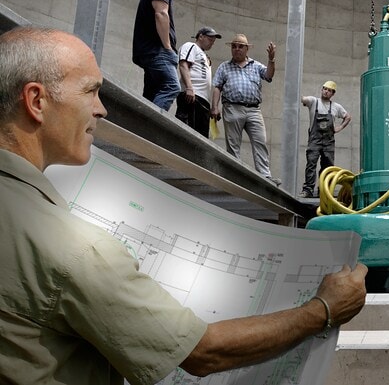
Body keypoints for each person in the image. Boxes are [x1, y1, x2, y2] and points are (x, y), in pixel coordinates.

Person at [0, 26, 368, 384]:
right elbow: (202, 352)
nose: (102, 110)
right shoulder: (79, 253)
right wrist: (323, 309)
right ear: (36, 101)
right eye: (90, 92)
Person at [211, 34, 281, 186]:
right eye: (234, 46)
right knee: (233, 145)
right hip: (232, 108)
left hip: (253, 110)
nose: (236, 49)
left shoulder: (256, 65)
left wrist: (271, 59)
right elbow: (217, 87)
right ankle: (235, 177)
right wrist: (214, 107)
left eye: (240, 46)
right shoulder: (224, 66)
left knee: (260, 141)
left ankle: (265, 177)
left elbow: (269, 75)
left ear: (247, 49)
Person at [132, 0, 192, 110]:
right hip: (157, 51)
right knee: (172, 87)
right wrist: (167, 47)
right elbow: (161, 14)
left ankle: (140, 127)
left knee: (151, 95)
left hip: (153, 52)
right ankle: (151, 128)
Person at [300, 81, 351, 198]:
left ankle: (324, 191)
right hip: (314, 140)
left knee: (327, 167)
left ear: (333, 93)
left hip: (328, 142)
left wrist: (339, 128)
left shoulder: (336, 107)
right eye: (324, 89)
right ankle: (307, 190)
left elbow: (347, 117)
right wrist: (302, 99)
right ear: (322, 89)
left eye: (329, 90)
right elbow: (303, 99)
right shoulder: (313, 102)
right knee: (311, 165)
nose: (326, 91)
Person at [176, 26, 221, 137]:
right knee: (186, 132)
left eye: (213, 41)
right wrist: (189, 88)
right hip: (192, 96)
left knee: (201, 136)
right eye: (210, 39)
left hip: (203, 101)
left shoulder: (205, 56)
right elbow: (183, 65)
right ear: (201, 36)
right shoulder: (191, 46)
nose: (212, 43)